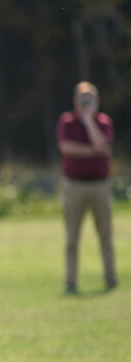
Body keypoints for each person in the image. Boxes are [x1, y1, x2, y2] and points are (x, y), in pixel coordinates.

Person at [56, 81, 117, 294]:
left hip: (100, 185)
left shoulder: (103, 122)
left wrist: (89, 121)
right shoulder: (67, 121)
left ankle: (111, 278)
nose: (85, 103)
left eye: (89, 99)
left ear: (96, 101)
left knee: (105, 234)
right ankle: (71, 282)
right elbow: (67, 148)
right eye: (82, 99)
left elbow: (102, 144)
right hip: (74, 186)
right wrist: (94, 151)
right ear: (75, 100)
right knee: (72, 237)